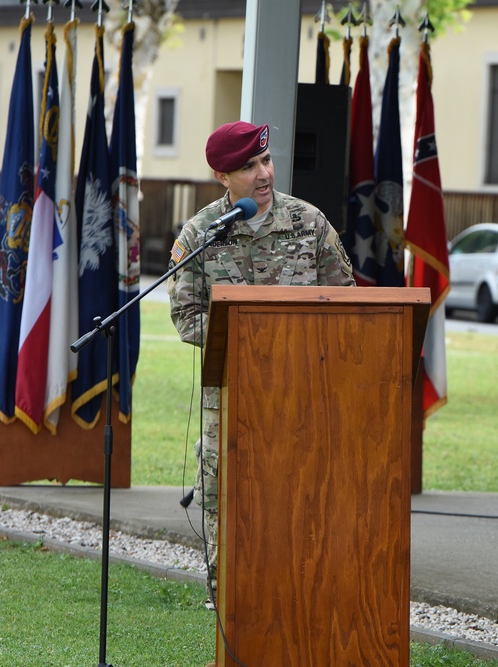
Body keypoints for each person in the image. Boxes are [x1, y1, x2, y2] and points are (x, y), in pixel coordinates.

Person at [167, 120, 355, 606]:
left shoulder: (308, 222)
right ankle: (225, 592)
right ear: (221, 176)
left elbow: (346, 299)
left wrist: (293, 346)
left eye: (266, 161)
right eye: (248, 167)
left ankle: (298, 585)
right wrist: (250, 342)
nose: (264, 174)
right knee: (222, 492)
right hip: (229, 389)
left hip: (300, 390)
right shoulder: (201, 233)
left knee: (300, 488)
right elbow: (186, 314)